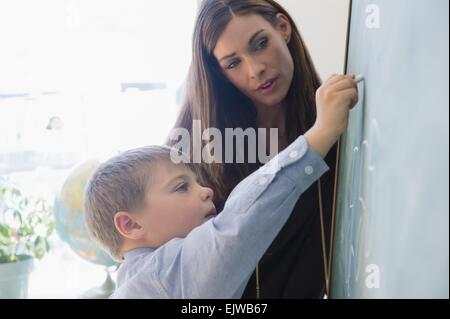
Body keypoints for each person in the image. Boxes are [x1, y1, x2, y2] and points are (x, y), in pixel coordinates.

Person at [84, 71, 358, 298]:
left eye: (195, 182)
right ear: (130, 225)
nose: (207, 191)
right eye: (181, 187)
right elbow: (236, 228)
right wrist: (320, 134)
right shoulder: (161, 277)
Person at [168, 0, 353, 298]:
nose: (256, 70)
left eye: (260, 44)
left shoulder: (335, 123)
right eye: (233, 63)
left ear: (283, 27)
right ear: (219, 74)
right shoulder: (191, 157)